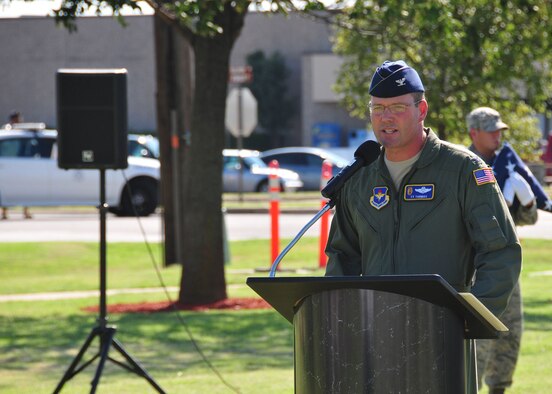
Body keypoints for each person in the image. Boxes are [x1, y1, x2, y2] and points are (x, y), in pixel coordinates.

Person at [324, 60, 521, 393]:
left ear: (421, 109)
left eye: (398, 107)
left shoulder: (462, 170)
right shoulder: (359, 179)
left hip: (443, 344)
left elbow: (499, 251)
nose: (386, 117)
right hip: (375, 345)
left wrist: (470, 320)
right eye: (378, 108)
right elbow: (343, 259)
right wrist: (337, 324)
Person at [467, 107, 537, 394]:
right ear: (474, 133)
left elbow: (527, 219)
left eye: (500, 130)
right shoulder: (463, 165)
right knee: (478, 341)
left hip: (507, 264)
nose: (499, 135)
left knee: (510, 336)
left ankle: (499, 389)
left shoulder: (508, 164)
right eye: (492, 130)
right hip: (474, 268)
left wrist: (528, 202)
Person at [1, 110, 32, 220]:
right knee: (6, 187)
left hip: (20, 162)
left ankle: (26, 211)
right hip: (8, 162)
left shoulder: (21, 130)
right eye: (17, 119)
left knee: (24, 188)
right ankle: (4, 212)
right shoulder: (7, 130)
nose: (19, 121)